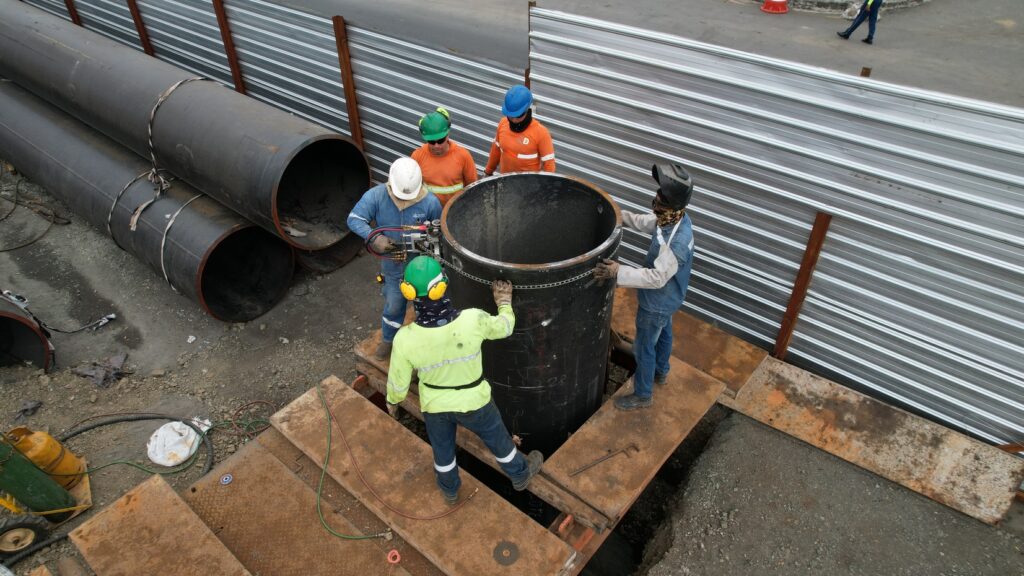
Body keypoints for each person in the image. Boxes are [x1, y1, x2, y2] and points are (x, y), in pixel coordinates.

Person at [385, 256, 544, 503]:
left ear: (408, 292)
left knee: (443, 451)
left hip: (435, 406)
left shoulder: (405, 339)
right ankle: (520, 474)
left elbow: (398, 383)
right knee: (498, 440)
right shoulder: (473, 320)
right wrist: (503, 303)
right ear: (442, 286)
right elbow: (505, 327)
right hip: (474, 402)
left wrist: (392, 400)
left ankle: (450, 490)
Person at [593, 163, 695, 410]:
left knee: (643, 347)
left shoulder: (677, 243)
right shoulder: (674, 219)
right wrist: (619, 217)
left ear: (671, 203)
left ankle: (643, 394)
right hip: (669, 300)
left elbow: (657, 278)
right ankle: (661, 371)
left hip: (658, 301)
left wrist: (618, 272)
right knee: (665, 334)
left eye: (662, 196)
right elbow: (645, 222)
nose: (656, 198)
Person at [347, 158, 442, 359]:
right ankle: (389, 340)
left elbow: (437, 236)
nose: (405, 200)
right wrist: (374, 237)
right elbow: (354, 219)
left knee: (425, 305)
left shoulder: (430, 202)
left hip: (421, 266)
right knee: (394, 305)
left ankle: (423, 346)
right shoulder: (377, 196)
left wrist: (435, 264)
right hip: (392, 265)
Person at [410, 108, 478, 208]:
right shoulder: (417, 156)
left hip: (455, 212)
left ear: (448, 134)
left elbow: (473, 188)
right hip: (429, 213)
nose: (436, 146)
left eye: (441, 140)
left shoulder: (463, 155)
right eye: (432, 142)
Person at [483, 85, 556, 176]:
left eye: (518, 116)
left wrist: (546, 188)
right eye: (511, 116)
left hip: (529, 187)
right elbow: (496, 150)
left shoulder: (541, 133)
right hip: (506, 183)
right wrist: (488, 172)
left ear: (526, 110)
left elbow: (549, 165)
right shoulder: (503, 124)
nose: (514, 120)